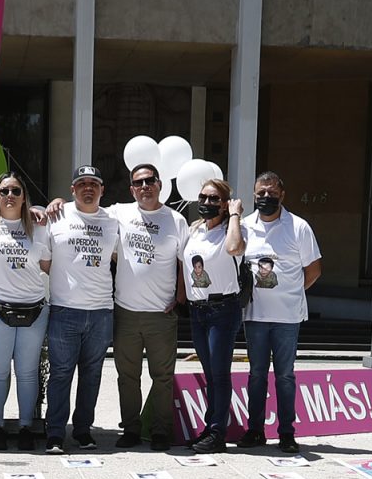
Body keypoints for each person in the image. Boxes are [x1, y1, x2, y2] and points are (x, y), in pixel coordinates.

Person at [102, 162, 190, 450]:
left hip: (161, 316)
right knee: (127, 376)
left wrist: (180, 298)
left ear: (160, 184)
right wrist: (54, 204)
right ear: (131, 189)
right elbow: (84, 211)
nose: (144, 187)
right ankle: (130, 428)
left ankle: (161, 430)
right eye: (138, 183)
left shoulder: (176, 220)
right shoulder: (119, 212)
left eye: (149, 181)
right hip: (125, 312)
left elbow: (184, 264)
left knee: (162, 377)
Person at [239, 171, 323, 452]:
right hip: (255, 317)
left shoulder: (298, 227)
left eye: (272, 193)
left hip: (287, 318)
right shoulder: (245, 226)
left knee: (285, 376)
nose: (266, 197)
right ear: (253, 194)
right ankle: (255, 430)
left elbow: (313, 270)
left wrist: (291, 292)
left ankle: (287, 432)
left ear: (282, 195)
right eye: (261, 193)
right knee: (256, 375)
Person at [40, 165, 121, 451]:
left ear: (102, 189)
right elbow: (42, 260)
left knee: (92, 373)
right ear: (72, 189)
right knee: (61, 373)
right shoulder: (56, 216)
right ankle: (55, 432)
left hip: (101, 311)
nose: (88, 188)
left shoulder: (114, 220)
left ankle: (83, 429)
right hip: (64, 310)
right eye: (82, 183)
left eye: (94, 184)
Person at [0, 172, 52, 449]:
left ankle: (25, 428)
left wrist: (46, 207)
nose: (10, 196)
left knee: (28, 371)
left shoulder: (39, 225)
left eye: (16, 191)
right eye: (4, 191)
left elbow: (48, 266)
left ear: (24, 196)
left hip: (34, 308)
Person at [179, 178, 245, 451]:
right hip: (198, 311)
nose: (207, 203)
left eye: (214, 199)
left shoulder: (234, 230)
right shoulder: (195, 230)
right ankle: (210, 427)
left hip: (222, 310)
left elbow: (233, 249)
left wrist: (234, 215)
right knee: (209, 372)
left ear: (225, 202)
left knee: (219, 374)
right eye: (203, 198)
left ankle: (217, 432)